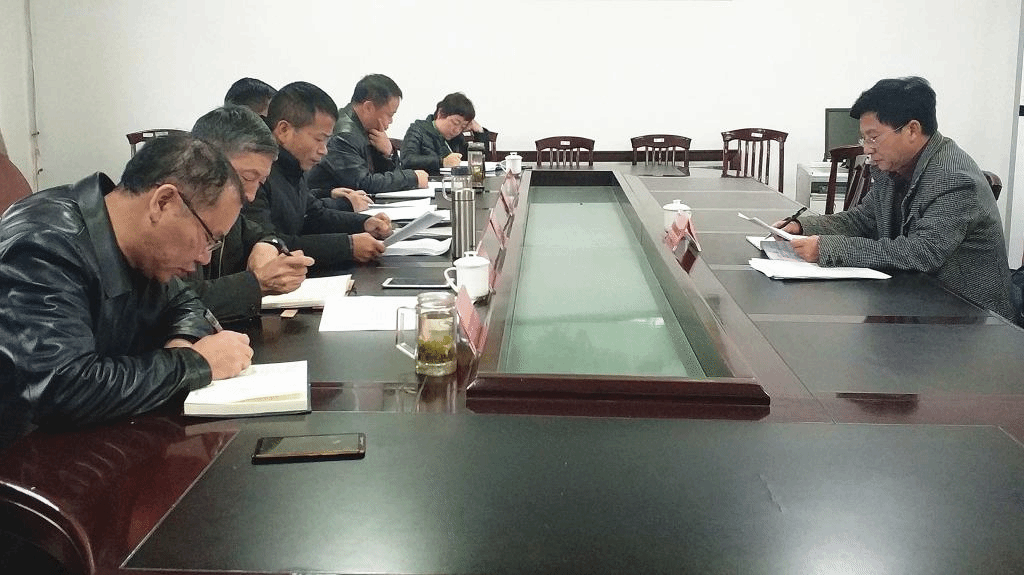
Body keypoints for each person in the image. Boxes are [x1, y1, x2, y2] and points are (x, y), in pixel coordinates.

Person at [0, 134, 254, 446]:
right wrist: (193, 363)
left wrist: (182, 341)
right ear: (163, 202)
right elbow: (60, 386)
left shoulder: (138, 245)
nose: (204, 257)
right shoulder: (44, 245)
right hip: (25, 456)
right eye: (208, 238)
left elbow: (187, 303)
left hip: (98, 440)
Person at [777, 76, 1014, 321]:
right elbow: (862, 220)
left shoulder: (954, 178)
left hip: (970, 319)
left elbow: (922, 253)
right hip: (914, 301)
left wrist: (828, 248)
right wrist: (802, 227)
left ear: (912, 130)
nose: (867, 148)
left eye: (873, 137)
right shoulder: (893, 168)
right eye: (864, 138)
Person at [243, 81, 391, 267]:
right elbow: (269, 243)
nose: (324, 150)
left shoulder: (294, 167)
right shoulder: (256, 175)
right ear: (284, 130)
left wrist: (364, 223)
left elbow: (315, 216)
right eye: (319, 139)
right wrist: (347, 246)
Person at [188, 105, 315, 322]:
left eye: (260, 181)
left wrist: (268, 244)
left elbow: (260, 233)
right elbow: (177, 303)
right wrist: (257, 284)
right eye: (247, 178)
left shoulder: (230, 213)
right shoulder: (174, 219)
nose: (250, 195)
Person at [305, 73, 429, 195]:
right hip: (327, 203)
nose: (391, 121)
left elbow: (382, 175)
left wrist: (388, 153)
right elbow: (362, 183)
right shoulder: (344, 135)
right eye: (390, 115)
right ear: (368, 107)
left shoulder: (367, 129)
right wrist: (412, 178)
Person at [400, 92, 490, 176]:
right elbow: (407, 160)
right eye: (455, 123)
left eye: (462, 127)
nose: (457, 130)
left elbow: (476, 159)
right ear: (440, 114)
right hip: (426, 183)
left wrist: (480, 132)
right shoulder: (418, 130)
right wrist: (442, 162)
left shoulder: (457, 138)